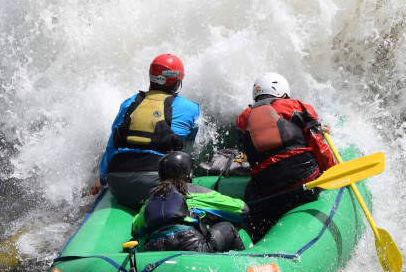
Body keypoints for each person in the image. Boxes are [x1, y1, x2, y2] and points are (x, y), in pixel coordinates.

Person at [235, 73, 337, 240]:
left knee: (254, 211)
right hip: (304, 180)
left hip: (267, 191)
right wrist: (333, 169)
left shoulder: (242, 119)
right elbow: (317, 144)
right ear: (283, 91)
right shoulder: (297, 106)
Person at [99, 54, 202, 206]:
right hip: (157, 185)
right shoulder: (191, 108)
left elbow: (111, 145)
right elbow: (187, 148)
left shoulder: (129, 103)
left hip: (116, 182)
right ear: (177, 82)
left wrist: (101, 179)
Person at [131, 151, 246, 252]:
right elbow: (241, 209)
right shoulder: (194, 191)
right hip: (191, 245)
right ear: (189, 173)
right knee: (228, 227)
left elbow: (136, 229)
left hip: (154, 249)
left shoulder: (152, 199)